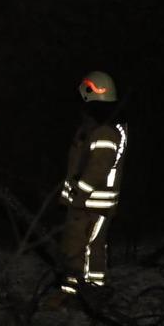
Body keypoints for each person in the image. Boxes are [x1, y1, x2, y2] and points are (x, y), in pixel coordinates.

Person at [57, 70, 128, 295]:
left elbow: (97, 170)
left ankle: (79, 293)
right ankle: (83, 291)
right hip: (86, 204)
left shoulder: (105, 133)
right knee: (84, 247)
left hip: (91, 205)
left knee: (81, 248)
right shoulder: (93, 130)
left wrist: (79, 196)